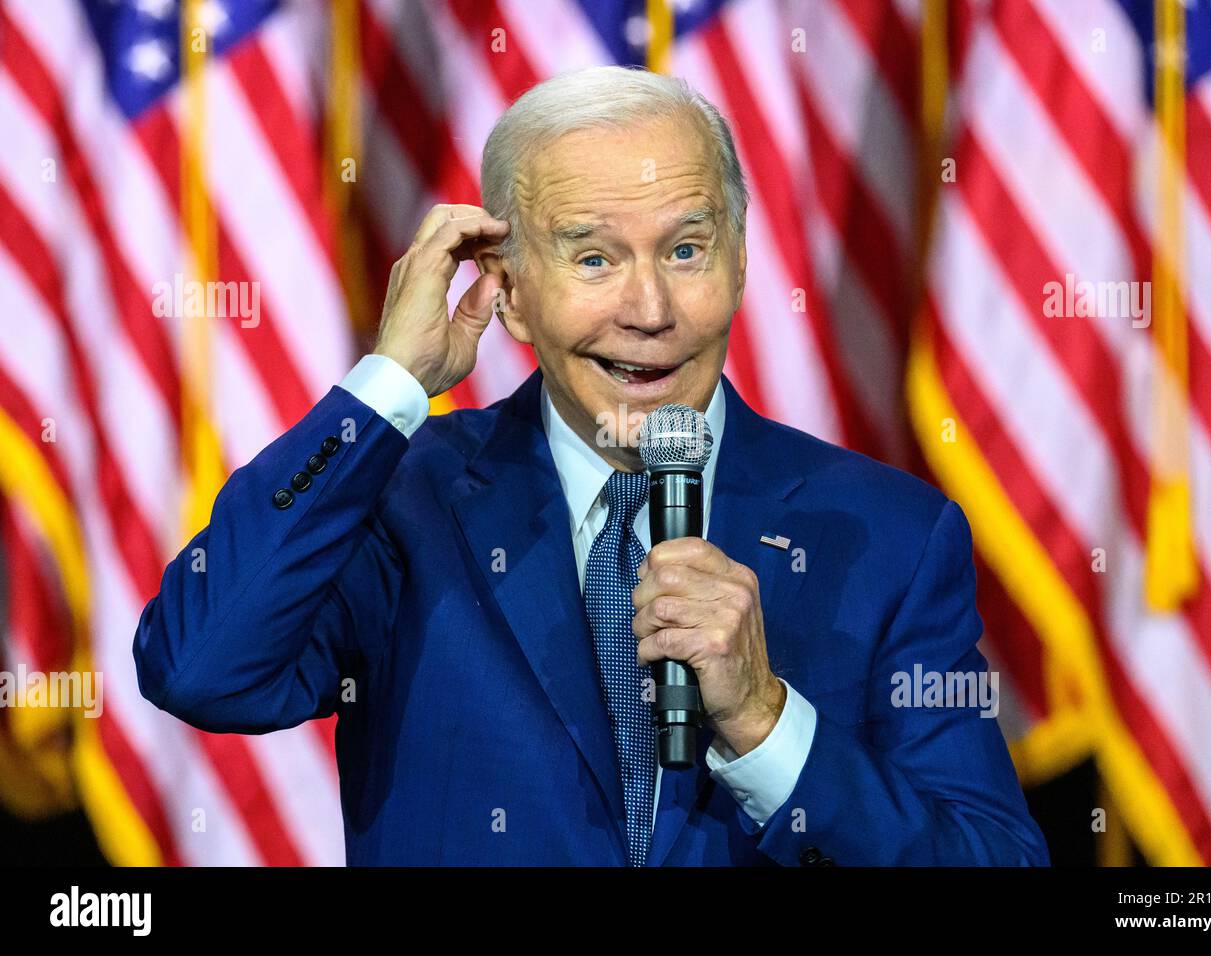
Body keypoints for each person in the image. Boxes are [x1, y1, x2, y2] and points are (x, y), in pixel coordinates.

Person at [133, 65, 1048, 866]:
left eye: (686, 250)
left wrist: (768, 726)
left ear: (737, 265)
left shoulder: (887, 536)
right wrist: (388, 388)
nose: (649, 308)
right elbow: (202, 666)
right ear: (513, 292)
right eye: (595, 257)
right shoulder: (405, 500)